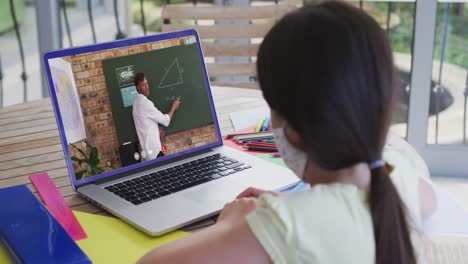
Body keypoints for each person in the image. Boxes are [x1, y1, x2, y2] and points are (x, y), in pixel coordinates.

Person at [138, 2, 437, 263]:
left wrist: (230, 227)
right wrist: (299, 206)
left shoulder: (283, 227)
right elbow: (422, 201)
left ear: (292, 131)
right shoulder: (404, 176)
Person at [132, 73, 180, 161]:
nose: (147, 87)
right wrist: (173, 107)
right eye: (143, 85)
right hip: (155, 154)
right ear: (138, 88)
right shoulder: (146, 103)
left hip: (146, 155)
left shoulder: (135, 104)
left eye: (147, 83)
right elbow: (166, 121)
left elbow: (145, 125)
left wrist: (156, 130)